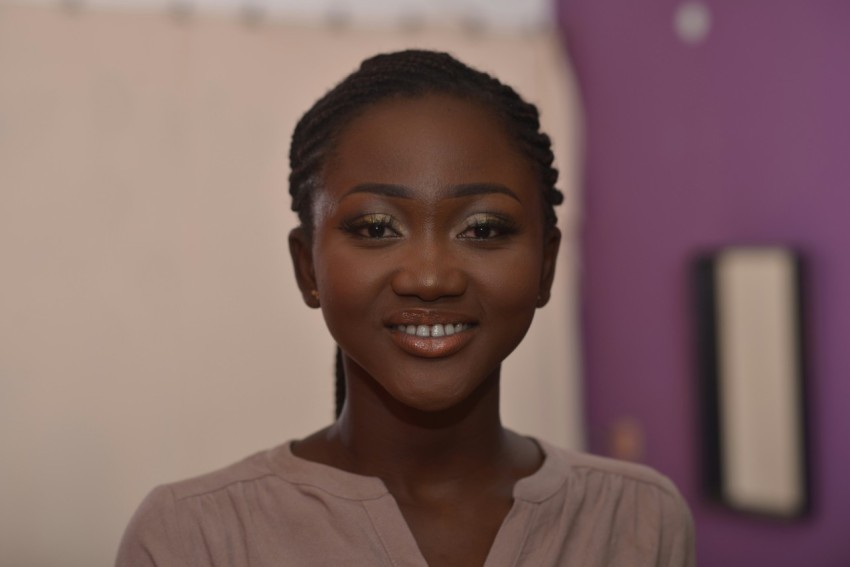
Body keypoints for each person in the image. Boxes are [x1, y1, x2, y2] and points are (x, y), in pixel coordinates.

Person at [116, 49, 695, 567]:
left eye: (484, 228)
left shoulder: (640, 520)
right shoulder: (193, 538)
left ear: (545, 266)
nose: (430, 277)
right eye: (375, 227)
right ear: (307, 268)